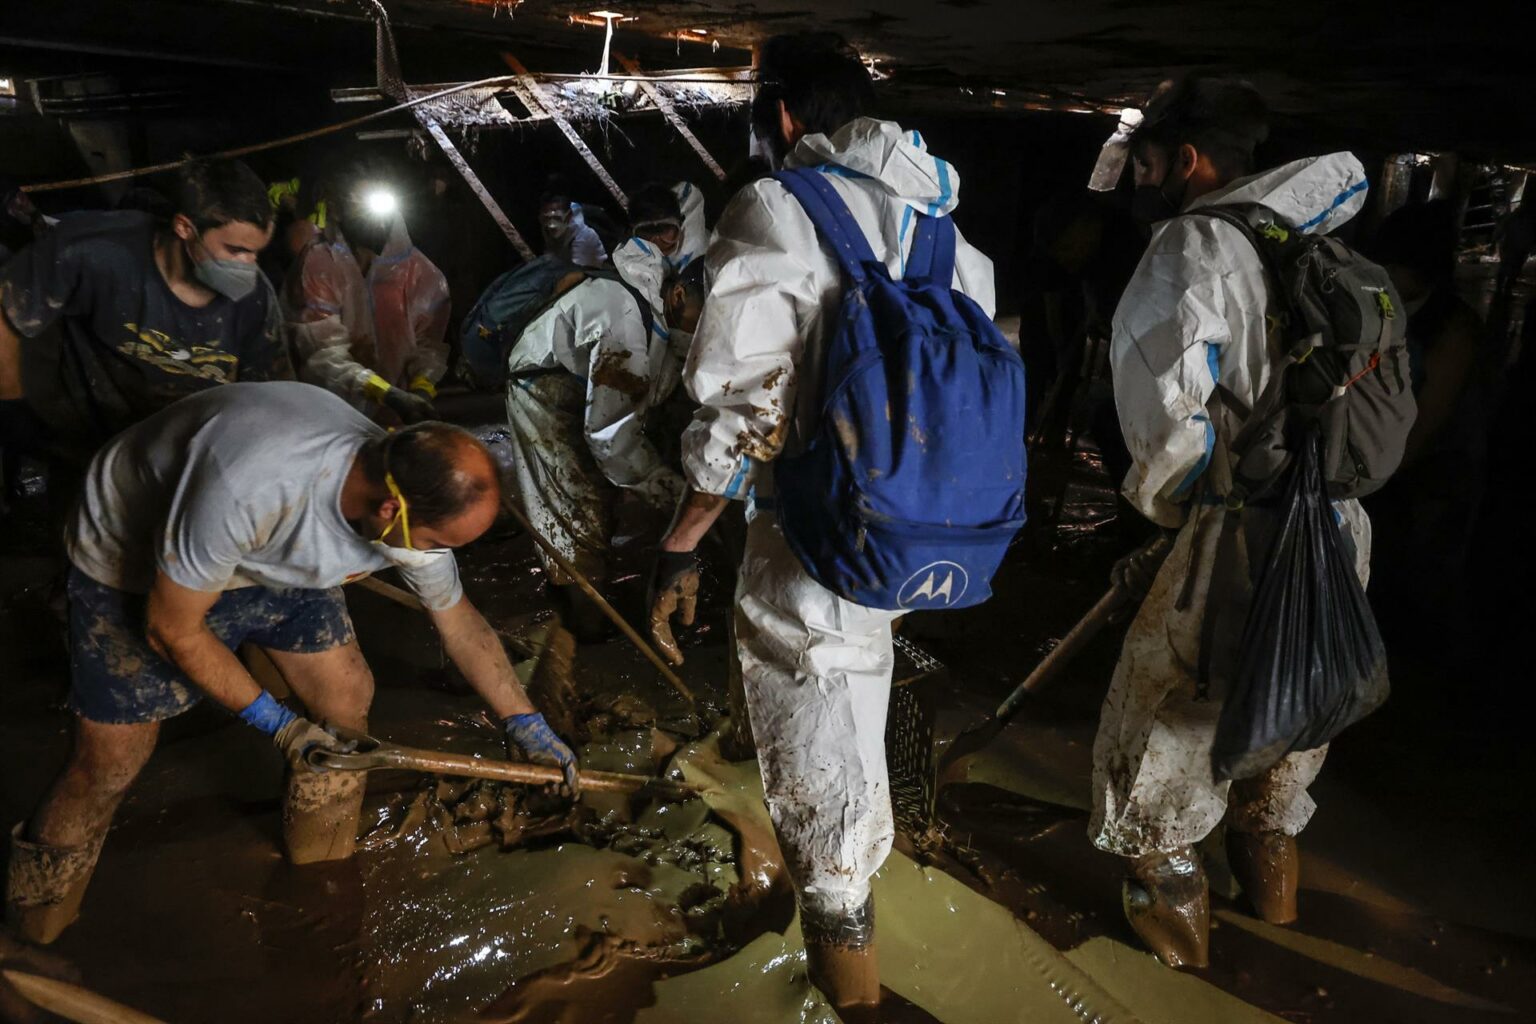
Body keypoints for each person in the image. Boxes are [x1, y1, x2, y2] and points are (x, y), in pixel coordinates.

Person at [649, 32, 996, 1014]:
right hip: (923, 531)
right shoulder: (953, 240)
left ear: (785, 116)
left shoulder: (778, 208)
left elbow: (747, 406)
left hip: (815, 533)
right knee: (852, 693)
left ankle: (853, 994)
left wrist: (683, 537)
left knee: (820, 762)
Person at [4, 382, 578, 945]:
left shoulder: (406, 493)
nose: (433, 556)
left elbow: (459, 621)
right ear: (390, 509)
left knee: (345, 696)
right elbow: (170, 629)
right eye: (433, 544)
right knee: (109, 764)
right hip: (135, 560)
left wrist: (523, 720)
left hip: (270, 557)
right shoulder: (252, 486)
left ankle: (321, 870)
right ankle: (36, 922)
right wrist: (279, 726)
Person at [1089, 75, 1377, 967]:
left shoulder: (1192, 246)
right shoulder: (1310, 239)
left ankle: (1182, 976)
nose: (1141, 183)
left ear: (1186, 159)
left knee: (1159, 759)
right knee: (1280, 743)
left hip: (1236, 537)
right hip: (1336, 526)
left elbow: (1166, 423)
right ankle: (1278, 930)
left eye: (1146, 164)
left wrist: (1169, 523)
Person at [0, 158, 286, 468]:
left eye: (256, 252)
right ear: (185, 227)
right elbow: (6, 318)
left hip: (179, 452)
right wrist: (17, 417)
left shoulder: (256, 301)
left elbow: (266, 396)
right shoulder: (95, 251)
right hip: (83, 435)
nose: (248, 265)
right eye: (236, 250)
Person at [503, 259, 703, 638]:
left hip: (577, 385)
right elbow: (612, 438)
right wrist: (675, 496)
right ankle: (582, 616)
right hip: (543, 389)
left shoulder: (655, 313)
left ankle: (589, 593)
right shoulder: (623, 315)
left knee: (600, 495)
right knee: (571, 501)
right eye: (705, 315)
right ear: (678, 296)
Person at [283, 173, 449, 425]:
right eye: (358, 203)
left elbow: (429, 345)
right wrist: (387, 394)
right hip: (329, 417)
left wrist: (421, 390)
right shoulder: (318, 265)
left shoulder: (420, 273)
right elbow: (321, 355)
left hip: (398, 419)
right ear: (336, 208)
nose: (375, 220)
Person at [613, 181, 710, 410]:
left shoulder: (701, 249)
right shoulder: (628, 262)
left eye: (667, 231)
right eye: (647, 232)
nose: (657, 242)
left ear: (681, 224)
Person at [537, 190, 608, 268]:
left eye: (557, 218)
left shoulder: (584, 236)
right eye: (546, 219)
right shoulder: (547, 223)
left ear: (569, 216)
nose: (551, 225)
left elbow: (579, 271)